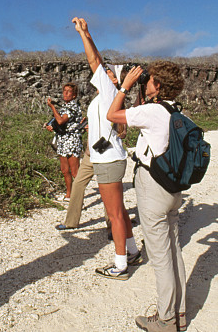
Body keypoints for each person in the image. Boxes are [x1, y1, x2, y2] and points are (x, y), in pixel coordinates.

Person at [107, 61, 187, 332]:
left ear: (159, 84)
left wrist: (125, 86)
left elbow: (112, 114)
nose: (147, 81)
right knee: (174, 251)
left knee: (160, 257)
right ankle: (180, 312)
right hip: (172, 188)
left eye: (150, 79)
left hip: (153, 188)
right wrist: (141, 91)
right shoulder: (174, 109)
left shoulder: (152, 111)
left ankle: (166, 320)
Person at [72, 17, 141, 280]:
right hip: (110, 158)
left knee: (114, 214)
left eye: (110, 72)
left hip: (108, 160)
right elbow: (98, 60)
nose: (105, 72)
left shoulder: (111, 92)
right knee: (119, 210)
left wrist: (82, 34)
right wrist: (88, 34)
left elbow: (94, 61)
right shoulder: (108, 94)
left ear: (116, 80)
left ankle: (120, 265)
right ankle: (132, 252)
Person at [46, 83, 82, 201]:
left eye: (69, 91)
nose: (65, 93)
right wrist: (52, 127)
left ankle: (78, 197)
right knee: (65, 170)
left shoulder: (73, 107)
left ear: (74, 95)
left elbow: (61, 121)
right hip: (62, 140)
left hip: (72, 141)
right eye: (64, 91)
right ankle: (69, 194)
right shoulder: (64, 107)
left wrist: (52, 107)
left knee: (75, 172)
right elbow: (60, 124)